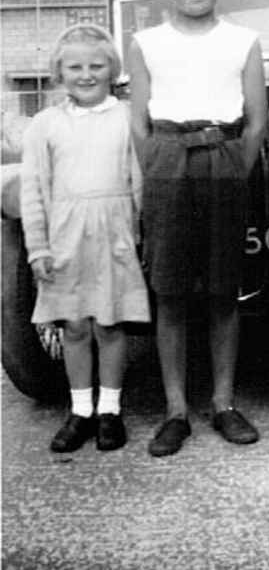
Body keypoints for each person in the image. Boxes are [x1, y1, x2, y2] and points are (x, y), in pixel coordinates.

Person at [129, 0, 267, 457]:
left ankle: (225, 403)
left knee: (221, 290)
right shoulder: (147, 44)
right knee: (169, 292)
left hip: (223, 159)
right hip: (167, 159)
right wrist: (161, 169)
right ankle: (175, 410)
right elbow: (139, 123)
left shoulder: (241, 41)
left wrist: (234, 167)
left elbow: (255, 121)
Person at [20, 23, 151, 453]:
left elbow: (138, 182)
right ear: (59, 71)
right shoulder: (45, 124)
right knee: (75, 327)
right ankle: (81, 411)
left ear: (112, 69)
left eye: (96, 65)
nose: (86, 74)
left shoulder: (127, 118)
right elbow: (35, 190)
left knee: (110, 325)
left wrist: (137, 235)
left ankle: (111, 410)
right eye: (75, 66)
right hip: (65, 237)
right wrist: (38, 247)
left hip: (113, 232)